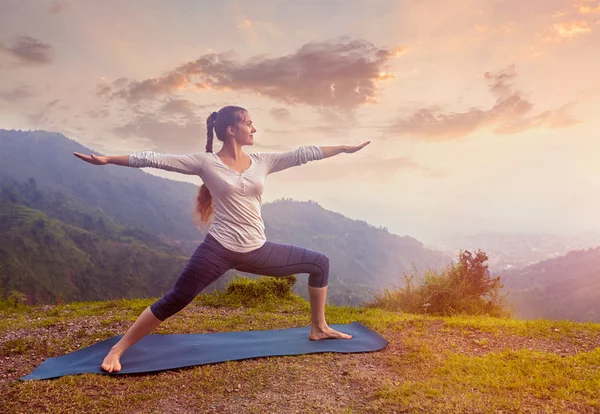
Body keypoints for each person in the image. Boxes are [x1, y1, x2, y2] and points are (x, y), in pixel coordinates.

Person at [73, 105, 370, 373]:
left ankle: (319, 328)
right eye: (249, 123)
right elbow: (155, 159)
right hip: (218, 250)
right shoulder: (205, 163)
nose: (254, 129)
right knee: (175, 299)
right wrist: (109, 159)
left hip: (257, 250)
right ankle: (118, 348)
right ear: (232, 129)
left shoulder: (262, 161)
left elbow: (304, 153)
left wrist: (343, 148)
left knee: (319, 263)